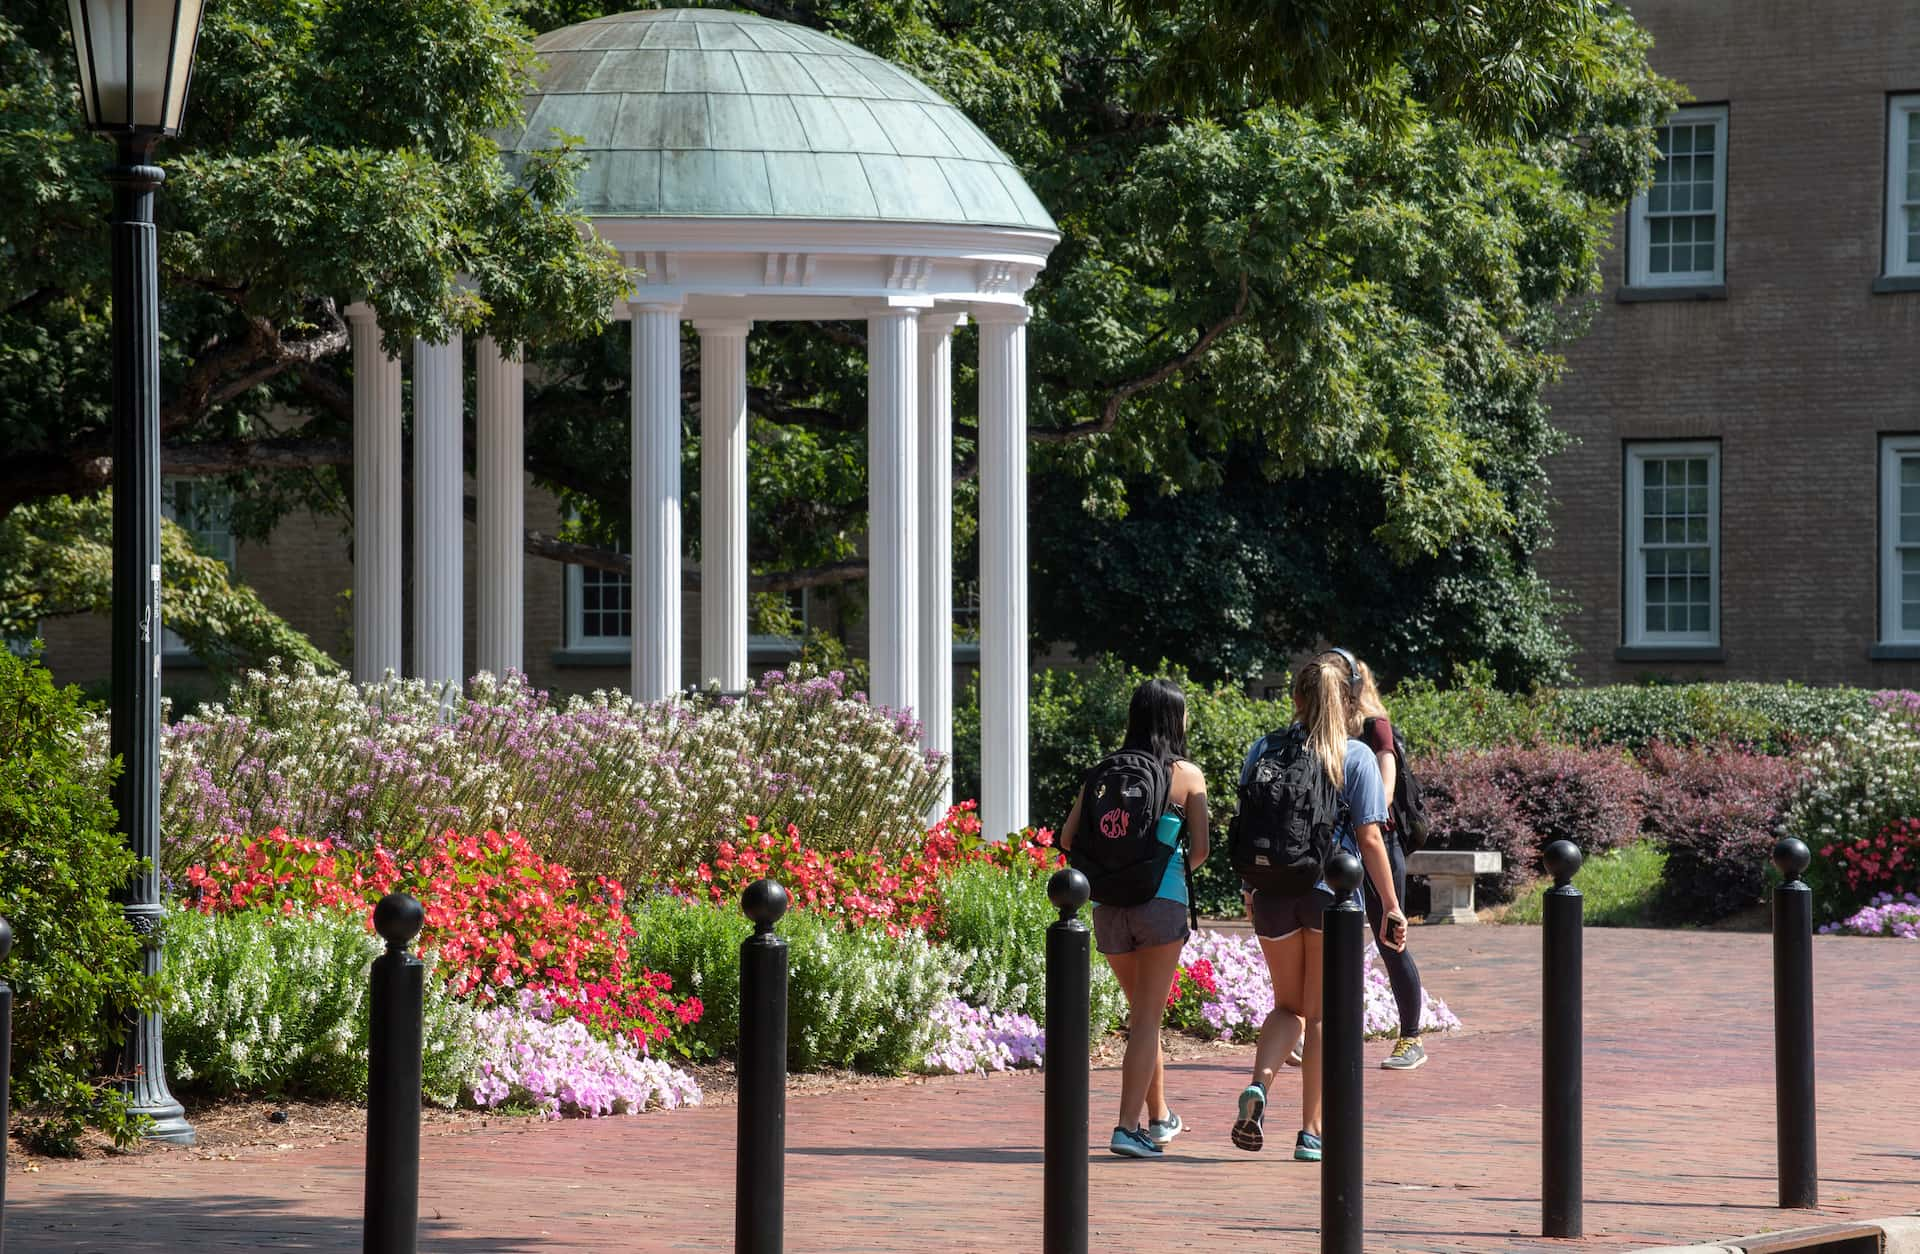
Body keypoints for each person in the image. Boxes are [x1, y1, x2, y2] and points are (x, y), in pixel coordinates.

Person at [1229, 652, 1406, 1162]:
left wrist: (1250, 884)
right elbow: (1371, 839)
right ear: (1348, 703)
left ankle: (1259, 1086)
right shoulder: (1354, 757)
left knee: (1287, 1007)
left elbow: (1247, 821)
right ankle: (1312, 1131)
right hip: (1332, 895)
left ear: (1297, 699)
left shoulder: (1263, 747)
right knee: (1323, 1013)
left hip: (1271, 892)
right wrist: (1391, 906)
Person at [1058, 678, 1209, 1159]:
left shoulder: (1103, 772)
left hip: (1107, 906)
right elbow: (1200, 852)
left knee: (1144, 1015)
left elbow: (1067, 839)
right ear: (1173, 719)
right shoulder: (1187, 775)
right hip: (1160, 903)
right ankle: (1127, 1128)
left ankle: (1160, 1117)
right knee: (1147, 1018)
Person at [1345, 650, 1429, 1071]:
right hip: (1340, 850)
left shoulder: (1374, 726)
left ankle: (1411, 1037)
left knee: (1389, 939)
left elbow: (1386, 791)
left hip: (1379, 843)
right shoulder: (1322, 731)